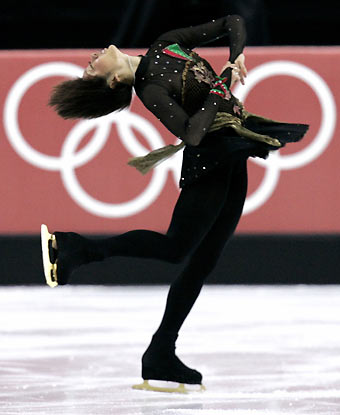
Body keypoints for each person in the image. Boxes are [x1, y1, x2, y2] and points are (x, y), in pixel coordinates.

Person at [42, 15, 308, 393]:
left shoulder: (165, 43)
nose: (91, 58)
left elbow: (232, 22)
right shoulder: (150, 87)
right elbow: (194, 134)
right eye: (90, 69)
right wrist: (220, 86)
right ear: (115, 80)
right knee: (175, 248)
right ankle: (75, 248)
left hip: (232, 152)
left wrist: (237, 57)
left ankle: (161, 352)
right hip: (211, 160)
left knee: (204, 259)